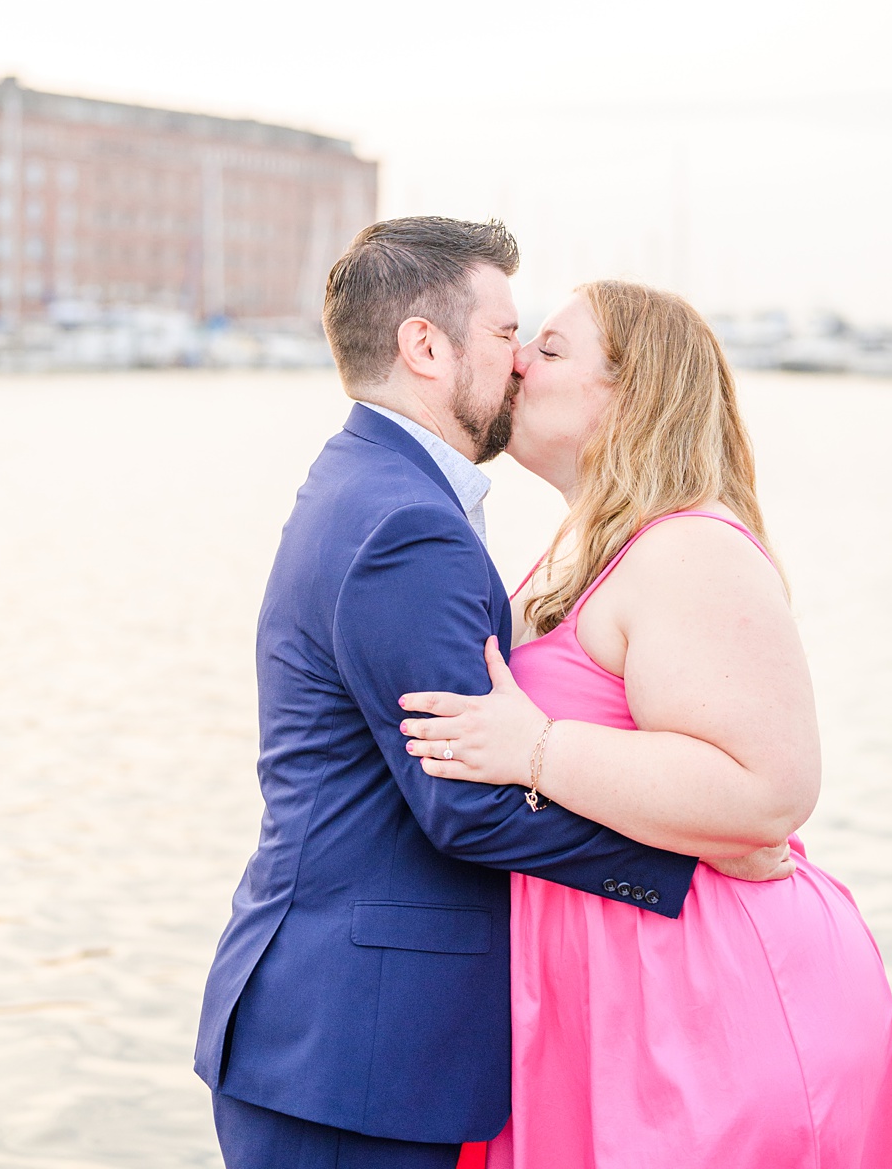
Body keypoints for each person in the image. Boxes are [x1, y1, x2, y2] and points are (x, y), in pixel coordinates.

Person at [196, 218, 784, 1167]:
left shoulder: (367, 484)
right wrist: (701, 861)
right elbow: (465, 805)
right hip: (358, 1048)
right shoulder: (405, 526)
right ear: (426, 347)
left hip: (341, 1031)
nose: (518, 364)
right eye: (509, 333)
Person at [396, 280, 892, 1168]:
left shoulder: (688, 548)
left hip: (706, 1008)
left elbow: (766, 792)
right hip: (605, 996)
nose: (517, 360)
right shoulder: (585, 549)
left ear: (633, 396)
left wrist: (537, 750)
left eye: (550, 351)